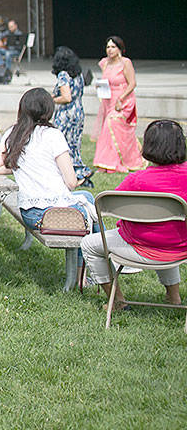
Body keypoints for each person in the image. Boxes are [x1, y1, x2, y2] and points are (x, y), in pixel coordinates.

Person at [81, 120, 187, 309]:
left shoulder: (136, 180)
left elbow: (105, 207)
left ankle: (117, 302)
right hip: (180, 247)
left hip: (141, 247)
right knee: (168, 232)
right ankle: (174, 297)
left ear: (148, 145)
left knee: (89, 244)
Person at [0, 88, 94, 231]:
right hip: (52, 213)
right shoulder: (53, 135)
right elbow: (71, 183)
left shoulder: (13, 133)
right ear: (49, 110)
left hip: (29, 213)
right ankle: (97, 251)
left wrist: (24, 165)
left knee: (87, 197)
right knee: (91, 214)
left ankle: (93, 251)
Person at [94, 36, 142, 173]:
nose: (110, 50)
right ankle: (106, 162)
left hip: (124, 100)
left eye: (113, 47)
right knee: (108, 128)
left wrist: (121, 99)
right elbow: (105, 81)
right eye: (108, 47)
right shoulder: (104, 63)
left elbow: (132, 83)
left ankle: (108, 163)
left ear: (119, 48)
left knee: (112, 122)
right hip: (109, 100)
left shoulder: (125, 63)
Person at [50, 46, 92, 184]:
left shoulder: (63, 75)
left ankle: (71, 173)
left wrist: (52, 100)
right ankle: (78, 170)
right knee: (75, 143)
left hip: (66, 114)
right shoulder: (78, 74)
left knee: (62, 145)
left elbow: (66, 97)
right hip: (78, 111)